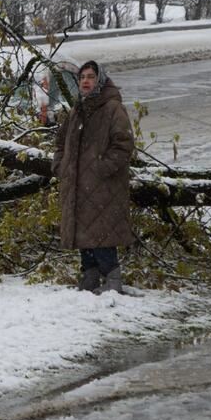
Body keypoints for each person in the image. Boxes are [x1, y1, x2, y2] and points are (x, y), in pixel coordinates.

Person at [52, 60, 135, 294]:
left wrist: (101, 168)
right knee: (84, 231)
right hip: (78, 184)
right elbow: (60, 141)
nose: (85, 81)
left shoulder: (112, 108)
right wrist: (60, 165)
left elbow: (124, 144)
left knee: (102, 233)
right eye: (82, 77)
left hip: (104, 187)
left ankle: (112, 281)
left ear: (99, 80)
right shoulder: (78, 109)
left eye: (90, 76)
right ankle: (90, 277)